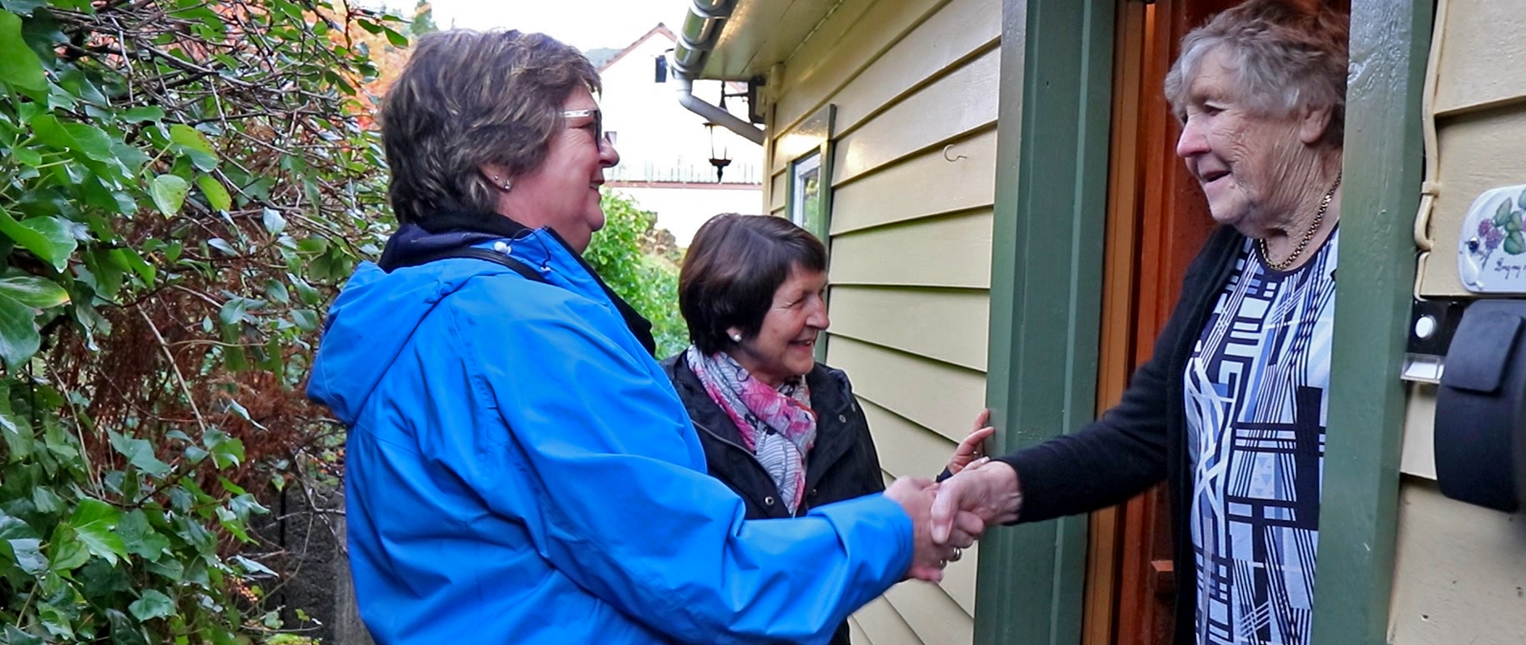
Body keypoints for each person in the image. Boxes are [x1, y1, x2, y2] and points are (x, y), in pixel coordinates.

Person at [306, 30, 981, 645]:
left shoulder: (430, 313)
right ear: (496, 161)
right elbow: (704, 579)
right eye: (589, 127)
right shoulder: (518, 332)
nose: (610, 151)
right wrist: (894, 528)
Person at [932, 3, 1347, 645]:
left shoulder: (1380, 251)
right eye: (1186, 116)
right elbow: (1143, 436)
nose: (1186, 142)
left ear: (1311, 111)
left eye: (1213, 109)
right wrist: (1001, 487)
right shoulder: (1228, 259)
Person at [662, 214, 993, 645]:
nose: (822, 317)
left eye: (821, 294)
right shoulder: (666, 409)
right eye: (800, 300)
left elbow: (870, 539)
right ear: (734, 316)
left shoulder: (832, 400)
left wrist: (942, 494)